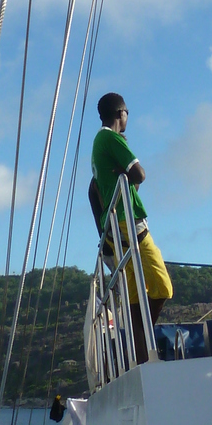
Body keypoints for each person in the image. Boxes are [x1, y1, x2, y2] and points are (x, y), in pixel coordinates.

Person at [90, 92, 172, 361]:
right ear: (119, 113)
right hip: (129, 224)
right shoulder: (110, 138)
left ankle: (142, 356)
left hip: (115, 229)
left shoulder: (98, 145)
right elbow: (139, 175)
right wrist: (127, 173)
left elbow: (93, 191)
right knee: (162, 287)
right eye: (126, 113)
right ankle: (143, 334)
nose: (127, 118)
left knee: (136, 298)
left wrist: (103, 230)